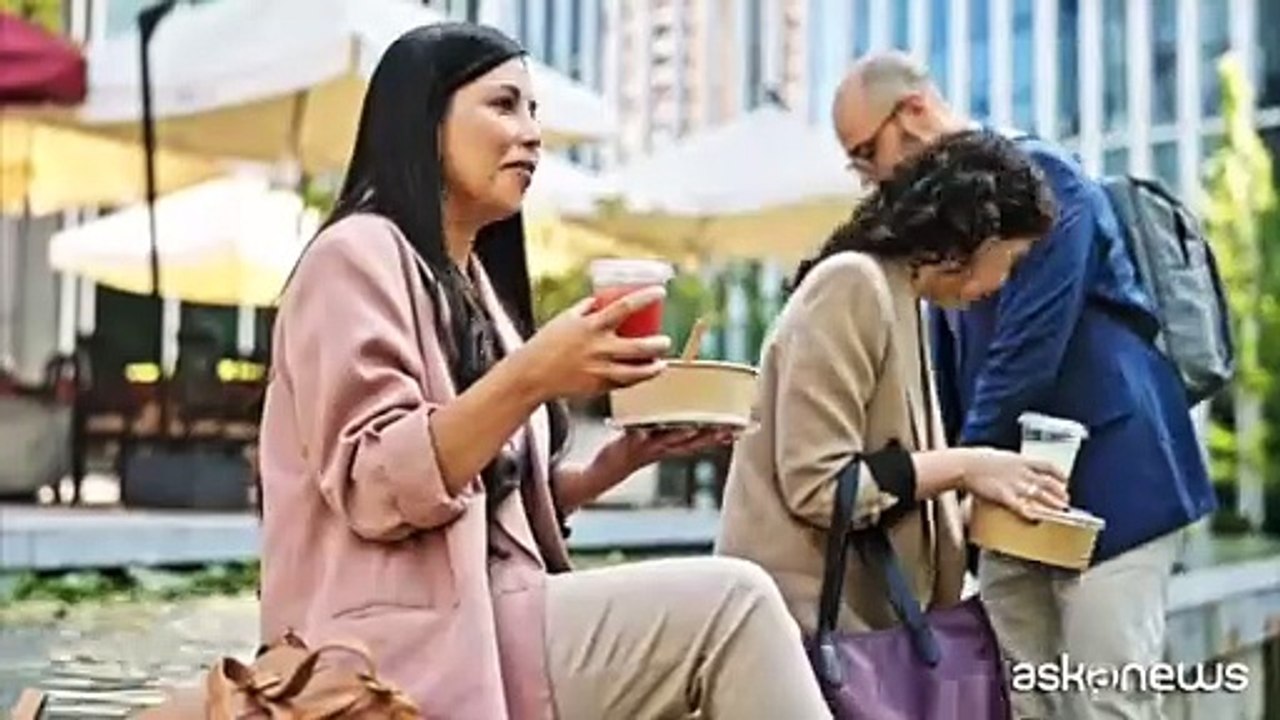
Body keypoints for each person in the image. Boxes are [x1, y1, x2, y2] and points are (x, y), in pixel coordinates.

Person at [255, 22, 833, 720]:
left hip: (486, 618)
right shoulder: (353, 255)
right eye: (504, 105)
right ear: (425, 118)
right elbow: (376, 486)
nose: (532, 134)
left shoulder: (474, 287)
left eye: (534, 112)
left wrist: (610, 467)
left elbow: (480, 502)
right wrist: (533, 375)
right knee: (733, 605)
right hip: (388, 648)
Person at [833, 51, 1218, 719]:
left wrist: (955, 475)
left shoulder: (1043, 179)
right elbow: (950, 368)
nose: (868, 177)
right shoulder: (942, 219)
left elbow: (1027, 349)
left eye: (868, 152)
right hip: (1007, 498)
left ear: (915, 111)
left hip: (1115, 483)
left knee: (1107, 701)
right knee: (1022, 701)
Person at [715, 130, 1069, 640]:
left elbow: (891, 479)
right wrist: (968, 466)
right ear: (983, 238)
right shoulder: (854, 284)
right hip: (798, 637)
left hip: (853, 635)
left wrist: (979, 504)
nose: (1003, 285)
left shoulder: (903, 299)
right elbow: (822, 486)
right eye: (1011, 263)